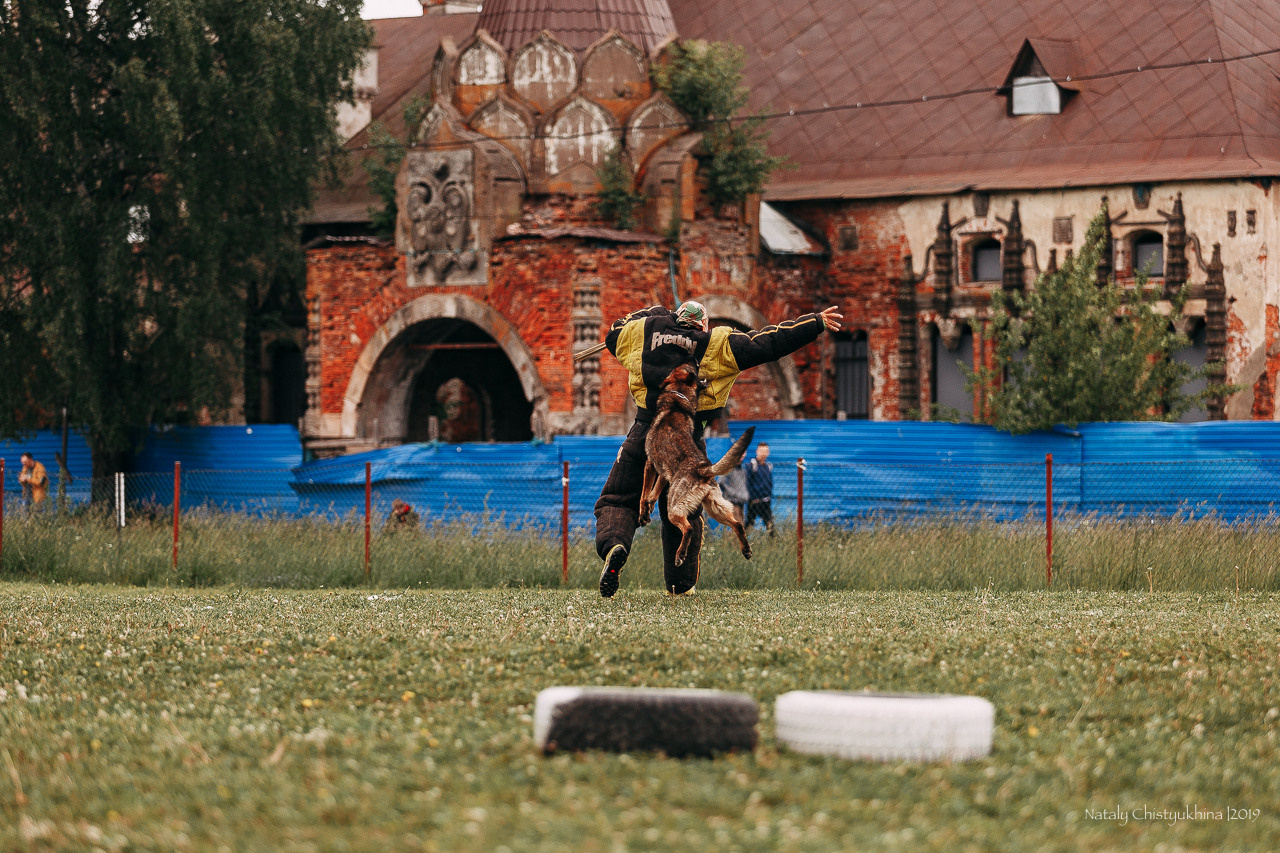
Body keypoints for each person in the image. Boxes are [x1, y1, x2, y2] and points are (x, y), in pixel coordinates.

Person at [594, 301, 842, 597]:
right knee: (686, 512)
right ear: (703, 324)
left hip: (646, 431)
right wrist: (814, 322)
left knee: (618, 499)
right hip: (688, 437)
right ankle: (680, 586)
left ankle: (615, 546)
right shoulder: (717, 343)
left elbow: (614, 332)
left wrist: (656, 312)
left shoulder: (643, 330)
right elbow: (769, 341)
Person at [743, 442, 775, 536]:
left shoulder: (768, 466)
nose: (763, 453)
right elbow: (747, 483)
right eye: (761, 451)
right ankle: (741, 544)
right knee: (748, 525)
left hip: (766, 502)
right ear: (757, 451)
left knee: (770, 526)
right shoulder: (751, 466)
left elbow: (770, 483)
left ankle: (773, 545)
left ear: (768, 453)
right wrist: (751, 497)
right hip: (754, 502)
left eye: (765, 451)